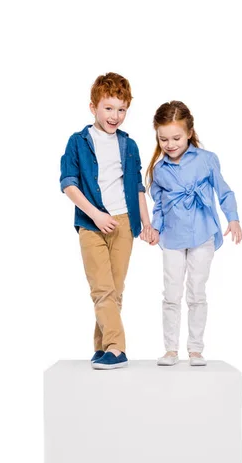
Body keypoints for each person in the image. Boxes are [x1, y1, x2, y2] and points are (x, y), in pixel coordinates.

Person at [60, 72, 153, 370]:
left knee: (115, 289)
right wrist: (96, 215)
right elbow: (69, 184)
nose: (115, 116)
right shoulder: (78, 142)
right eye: (109, 108)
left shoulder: (130, 145)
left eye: (121, 109)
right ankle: (118, 348)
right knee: (101, 288)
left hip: (124, 222)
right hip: (91, 224)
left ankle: (102, 347)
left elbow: (138, 187)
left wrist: (145, 223)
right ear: (93, 107)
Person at [146, 101, 242, 366]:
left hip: (202, 234)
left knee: (197, 292)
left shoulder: (206, 159)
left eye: (176, 137)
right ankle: (170, 349)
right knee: (171, 293)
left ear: (189, 133)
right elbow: (160, 205)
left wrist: (232, 218)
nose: (170, 144)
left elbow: (224, 191)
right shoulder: (159, 169)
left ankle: (196, 349)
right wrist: (155, 228)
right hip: (173, 239)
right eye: (163, 139)